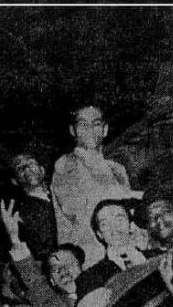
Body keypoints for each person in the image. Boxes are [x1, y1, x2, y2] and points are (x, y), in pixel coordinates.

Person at [51, 103, 142, 268]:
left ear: (105, 129)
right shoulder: (65, 164)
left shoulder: (117, 169)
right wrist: (134, 196)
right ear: (73, 130)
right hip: (90, 258)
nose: (90, 130)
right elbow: (75, 208)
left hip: (122, 253)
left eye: (96, 124)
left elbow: (127, 211)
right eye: (82, 124)